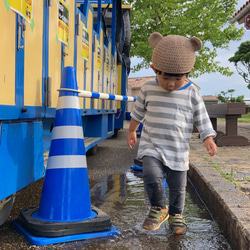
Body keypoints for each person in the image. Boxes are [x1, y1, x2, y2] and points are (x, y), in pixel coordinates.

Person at [127, 32, 217, 235]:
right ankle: (159, 208)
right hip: (152, 145)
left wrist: (208, 137)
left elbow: (201, 116)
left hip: (178, 149)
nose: (170, 84)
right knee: (150, 174)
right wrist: (132, 130)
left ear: (189, 71)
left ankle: (176, 216)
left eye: (178, 79)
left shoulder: (191, 92)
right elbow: (138, 112)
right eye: (165, 77)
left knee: (177, 187)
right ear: (153, 69)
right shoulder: (148, 88)